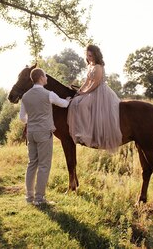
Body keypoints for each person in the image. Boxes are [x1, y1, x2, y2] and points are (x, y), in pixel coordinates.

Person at [20, 67, 71, 206]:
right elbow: (65, 104)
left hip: (31, 132)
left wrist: (31, 122)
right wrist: (68, 99)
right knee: (43, 165)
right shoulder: (49, 94)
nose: (47, 79)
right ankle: (39, 198)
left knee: (32, 164)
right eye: (45, 77)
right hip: (44, 132)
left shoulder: (25, 96)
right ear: (41, 78)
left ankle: (29, 197)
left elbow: (22, 117)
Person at [67, 44, 122, 151]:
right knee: (75, 102)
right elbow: (87, 82)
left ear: (96, 55)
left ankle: (88, 132)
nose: (88, 58)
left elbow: (95, 83)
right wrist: (79, 91)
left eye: (90, 55)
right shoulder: (90, 66)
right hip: (91, 91)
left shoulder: (98, 67)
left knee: (83, 105)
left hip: (99, 91)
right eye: (87, 55)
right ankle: (80, 130)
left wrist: (85, 92)